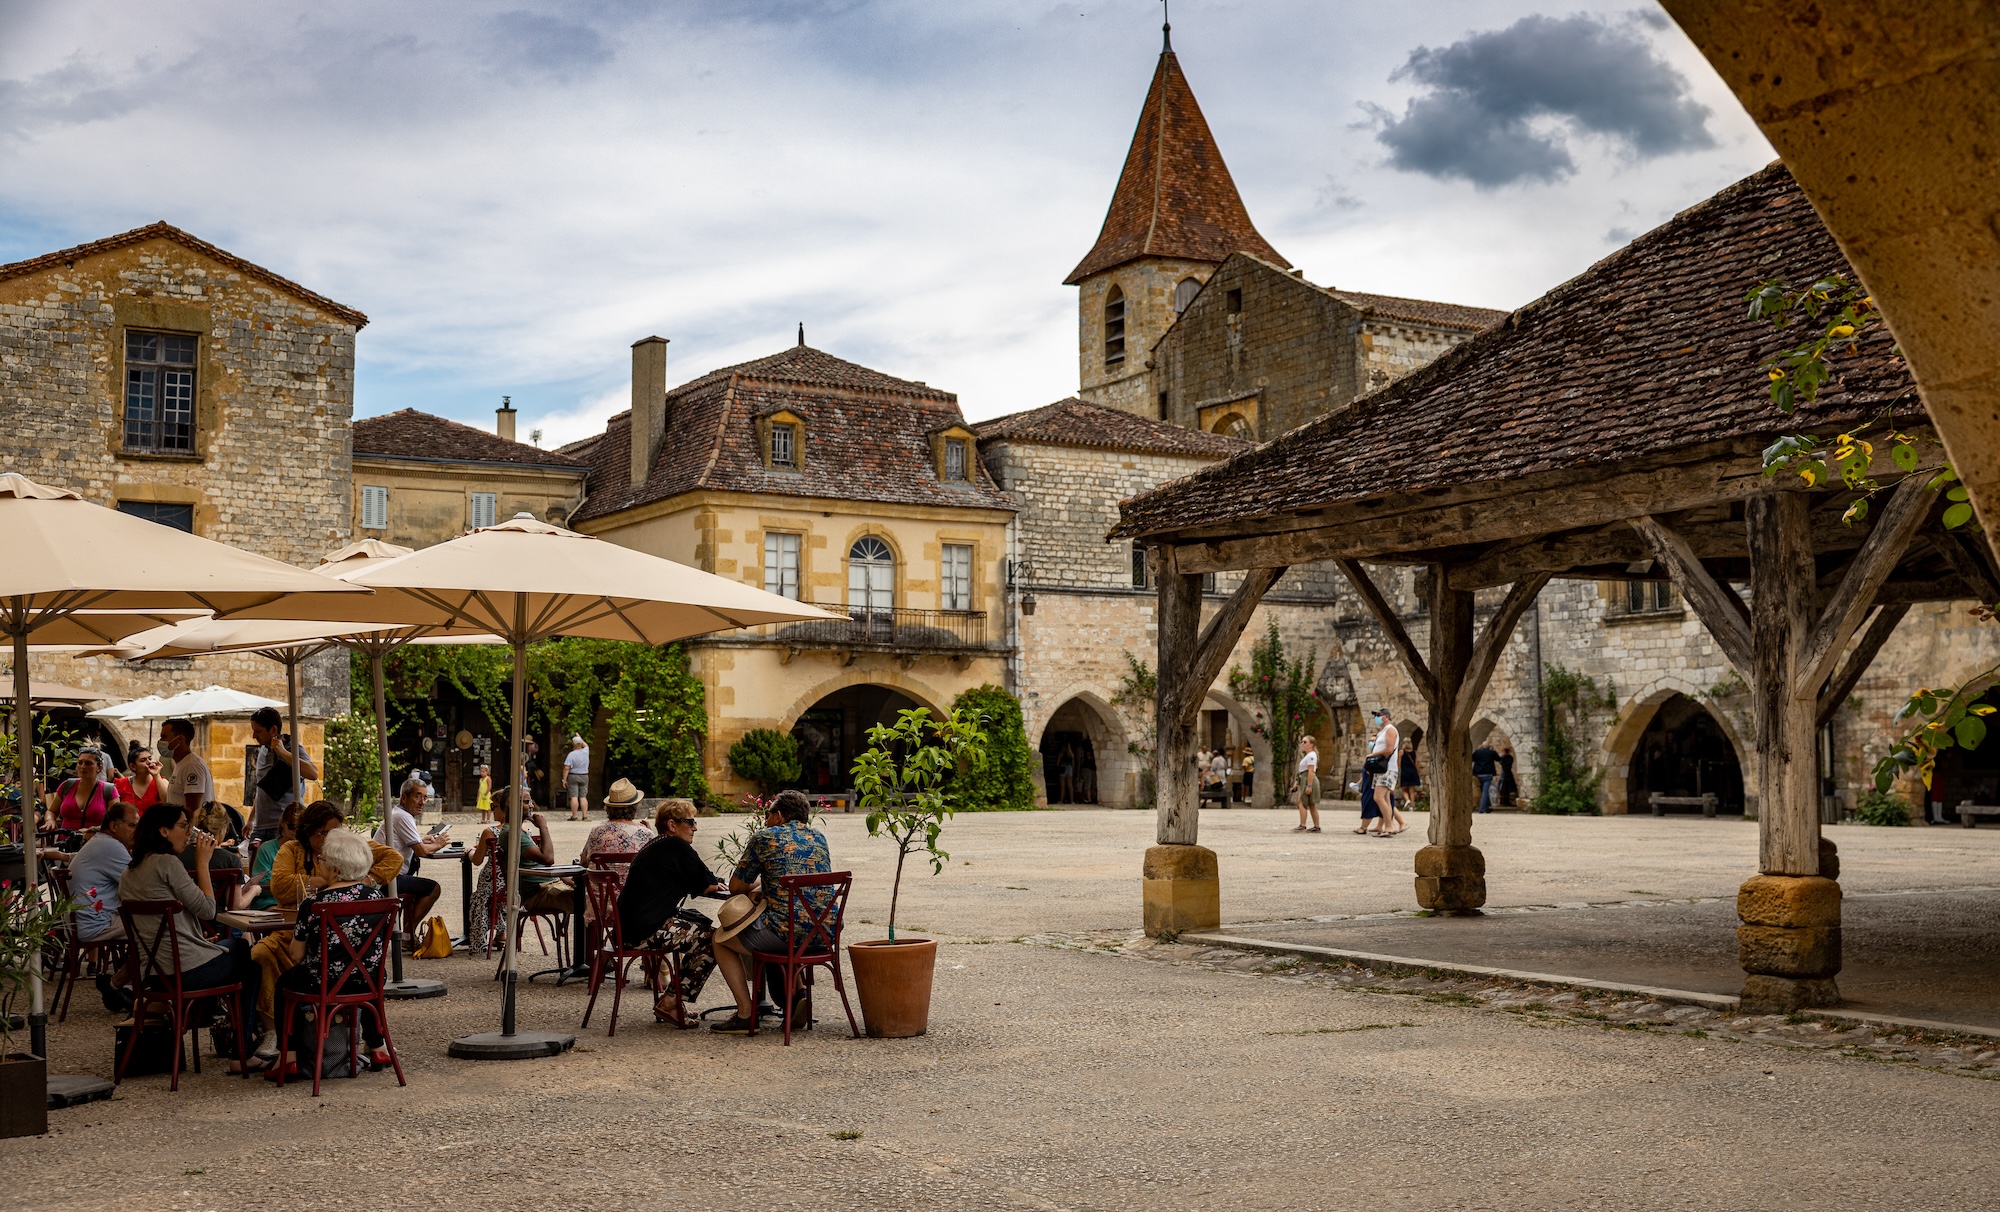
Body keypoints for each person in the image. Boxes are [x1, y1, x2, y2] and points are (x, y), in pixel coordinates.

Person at [118, 802, 264, 1068]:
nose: (189, 833)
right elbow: (208, 910)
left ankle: (241, 1046)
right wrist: (202, 862)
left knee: (237, 952)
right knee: (247, 958)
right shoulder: (167, 864)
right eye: (184, 826)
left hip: (153, 975)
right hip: (184, 972)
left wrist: (197, 940)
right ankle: (242, 1052)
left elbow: (164, 924)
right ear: (163, 831)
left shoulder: (130, 871)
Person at [710, 789, 832, 1034]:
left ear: (778, 816)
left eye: (768, 814)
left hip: (786, 935)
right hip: (826, 932)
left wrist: (758, 885)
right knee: (786, 923)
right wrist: (768, 887)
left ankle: (746, 1013)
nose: (765, 820)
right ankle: (798, 996)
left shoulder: (765, 837)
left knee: (720, 939)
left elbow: (736, 887)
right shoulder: (818, 837)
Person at [274, 827, 394, 1066]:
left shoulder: (313, 904)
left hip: (323, 982)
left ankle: (288, 1056)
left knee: (284, 983)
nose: (319, 862)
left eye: (322, 860)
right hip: (368, 979)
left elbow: (296, 954)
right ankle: (377, 1046)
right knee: (365, 972)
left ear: (335, 869)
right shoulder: (379, 900)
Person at [618, 798, 727, 1027]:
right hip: (646, 931)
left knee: (704, 932)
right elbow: (705, 882)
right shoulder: (675, 846)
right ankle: (670, 1002)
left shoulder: (657, 845)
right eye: (690, 822)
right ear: (672, 825)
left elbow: (697, 878)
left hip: (630, 927)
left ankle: (674, 1000)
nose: (695, 827)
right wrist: (715, 884)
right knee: (714, 940)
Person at [376, 778, 450, 946]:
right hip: (388, 878)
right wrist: (438, 844)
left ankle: (408, 934)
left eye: (425, 798)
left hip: (383, 876)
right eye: (418, 797)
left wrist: (422, 839)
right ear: (404, 798)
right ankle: (408, 934)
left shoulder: (398, 813)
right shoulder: (403, 817)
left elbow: (409, 843)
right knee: (433, 889)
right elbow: (421, 851)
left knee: (420, 887)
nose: (422, 802)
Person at [248, 706, 319, 849]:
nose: (254, 736)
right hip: (260, 826)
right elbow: (262, 788)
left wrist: (283, 753)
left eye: (258, 731)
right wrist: (251, 819)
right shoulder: (262, 750)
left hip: (283, 827)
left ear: (273, 730)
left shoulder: (292, 747)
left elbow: (313, 773)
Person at [70, 799, 138, 942]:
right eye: (132, 826)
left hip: (81, 923)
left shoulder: (100, 841)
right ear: (113, 826)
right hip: (95, 925)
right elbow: (139, 885)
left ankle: (131, 965)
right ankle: (138, 965)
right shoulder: (111, 846)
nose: (137, 832)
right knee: (159, 926)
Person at [248, 801, 302, 911]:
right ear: (283, 823)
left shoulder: (305, 850)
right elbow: (262, 883)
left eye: (300, 828)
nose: (295, 832)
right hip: (269, 903)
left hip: (296, 902)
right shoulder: (267, 849)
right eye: (292, 827)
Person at [47, 746, 116, 831]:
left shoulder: (109, 790)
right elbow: (51, 811)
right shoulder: (67, 786)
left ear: (99, 768)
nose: (83, 766)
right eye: (80, 763)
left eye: (88, 763)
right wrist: (50, 820)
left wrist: (91, 830)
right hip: (66, 841)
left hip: (96, 841)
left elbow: (115, 823)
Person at [1367, 709, 1402, 835]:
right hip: (1380, 769)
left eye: (1378, 715)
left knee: (1378, 797)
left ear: (1386, 717)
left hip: (1387, 768)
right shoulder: (1383, 731)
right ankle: (1389, 825)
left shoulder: (1390, 730)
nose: (1376, 717)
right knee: (1385, 798)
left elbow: (1389, 749)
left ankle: (1389, 826)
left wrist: (1372, 755)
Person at [114, 746, 164, 813]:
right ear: (133, 766)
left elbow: (167, 800)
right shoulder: (121, 784)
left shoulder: (160, 782)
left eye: (150, 758)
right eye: (143, 760)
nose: (149, 762)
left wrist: (157, 775)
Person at [1293, 736, 1320, 833]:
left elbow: (1310, 771)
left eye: (1305, 742)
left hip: (1308, 779)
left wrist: (1309, 785)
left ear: (1311, 744)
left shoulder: (1311, 755)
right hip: (1304, 778)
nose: (1302, 744)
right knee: (1309, 803)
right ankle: (1315, 826)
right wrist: (1297, 783)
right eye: (1302, 741)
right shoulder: (1308, 755)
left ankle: (1303, 824)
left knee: (1302, 801)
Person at [563, 734, 591, 822]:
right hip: (584, 775)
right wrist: (580, 737)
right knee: (583, 796)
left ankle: (574, 816)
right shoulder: (586, 751)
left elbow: (566, 768)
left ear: (573, 744)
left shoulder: (571, 754)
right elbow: (586, 745)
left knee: (574, 796)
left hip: (573, 775)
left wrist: (564, 779)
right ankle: (585, 815)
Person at [1471, 740, 1501, 814]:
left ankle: (1486, 807)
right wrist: (1493, 749)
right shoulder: (1491, 753)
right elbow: (1498, 759)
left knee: (1483, 791)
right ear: (1488, 746)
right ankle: (1482, 808)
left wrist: (1478, 749)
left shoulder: (1477, 752)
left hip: (1478, 774)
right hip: (1488, 774)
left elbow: (1472, 758)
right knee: (1485, 791)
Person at [1399, 735, 1424, 817]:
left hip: (1405, 772)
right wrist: (1418, 772)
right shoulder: (1414, 752)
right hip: (1412, 772)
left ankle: (1407, 800)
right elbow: (1416, 764)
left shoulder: (1401, 752)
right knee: (1411, 790)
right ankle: (1412, 807)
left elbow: (1398, 763)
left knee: (1403, 789)